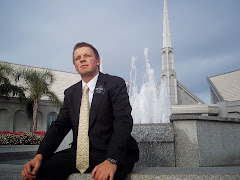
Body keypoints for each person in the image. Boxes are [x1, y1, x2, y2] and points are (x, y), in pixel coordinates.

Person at [21, 42, 139, 180]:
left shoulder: (115, 84)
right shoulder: (71, 93)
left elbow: (123, 121)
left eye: (87, 55)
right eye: (77, 58)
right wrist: (39, 156)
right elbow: (59, 126)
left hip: (113, 151)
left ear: (98, 61)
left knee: (106, 176)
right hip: (81, 153)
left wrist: (111, 160)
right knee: (40, 172)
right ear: (76, 66)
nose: (82, 59)